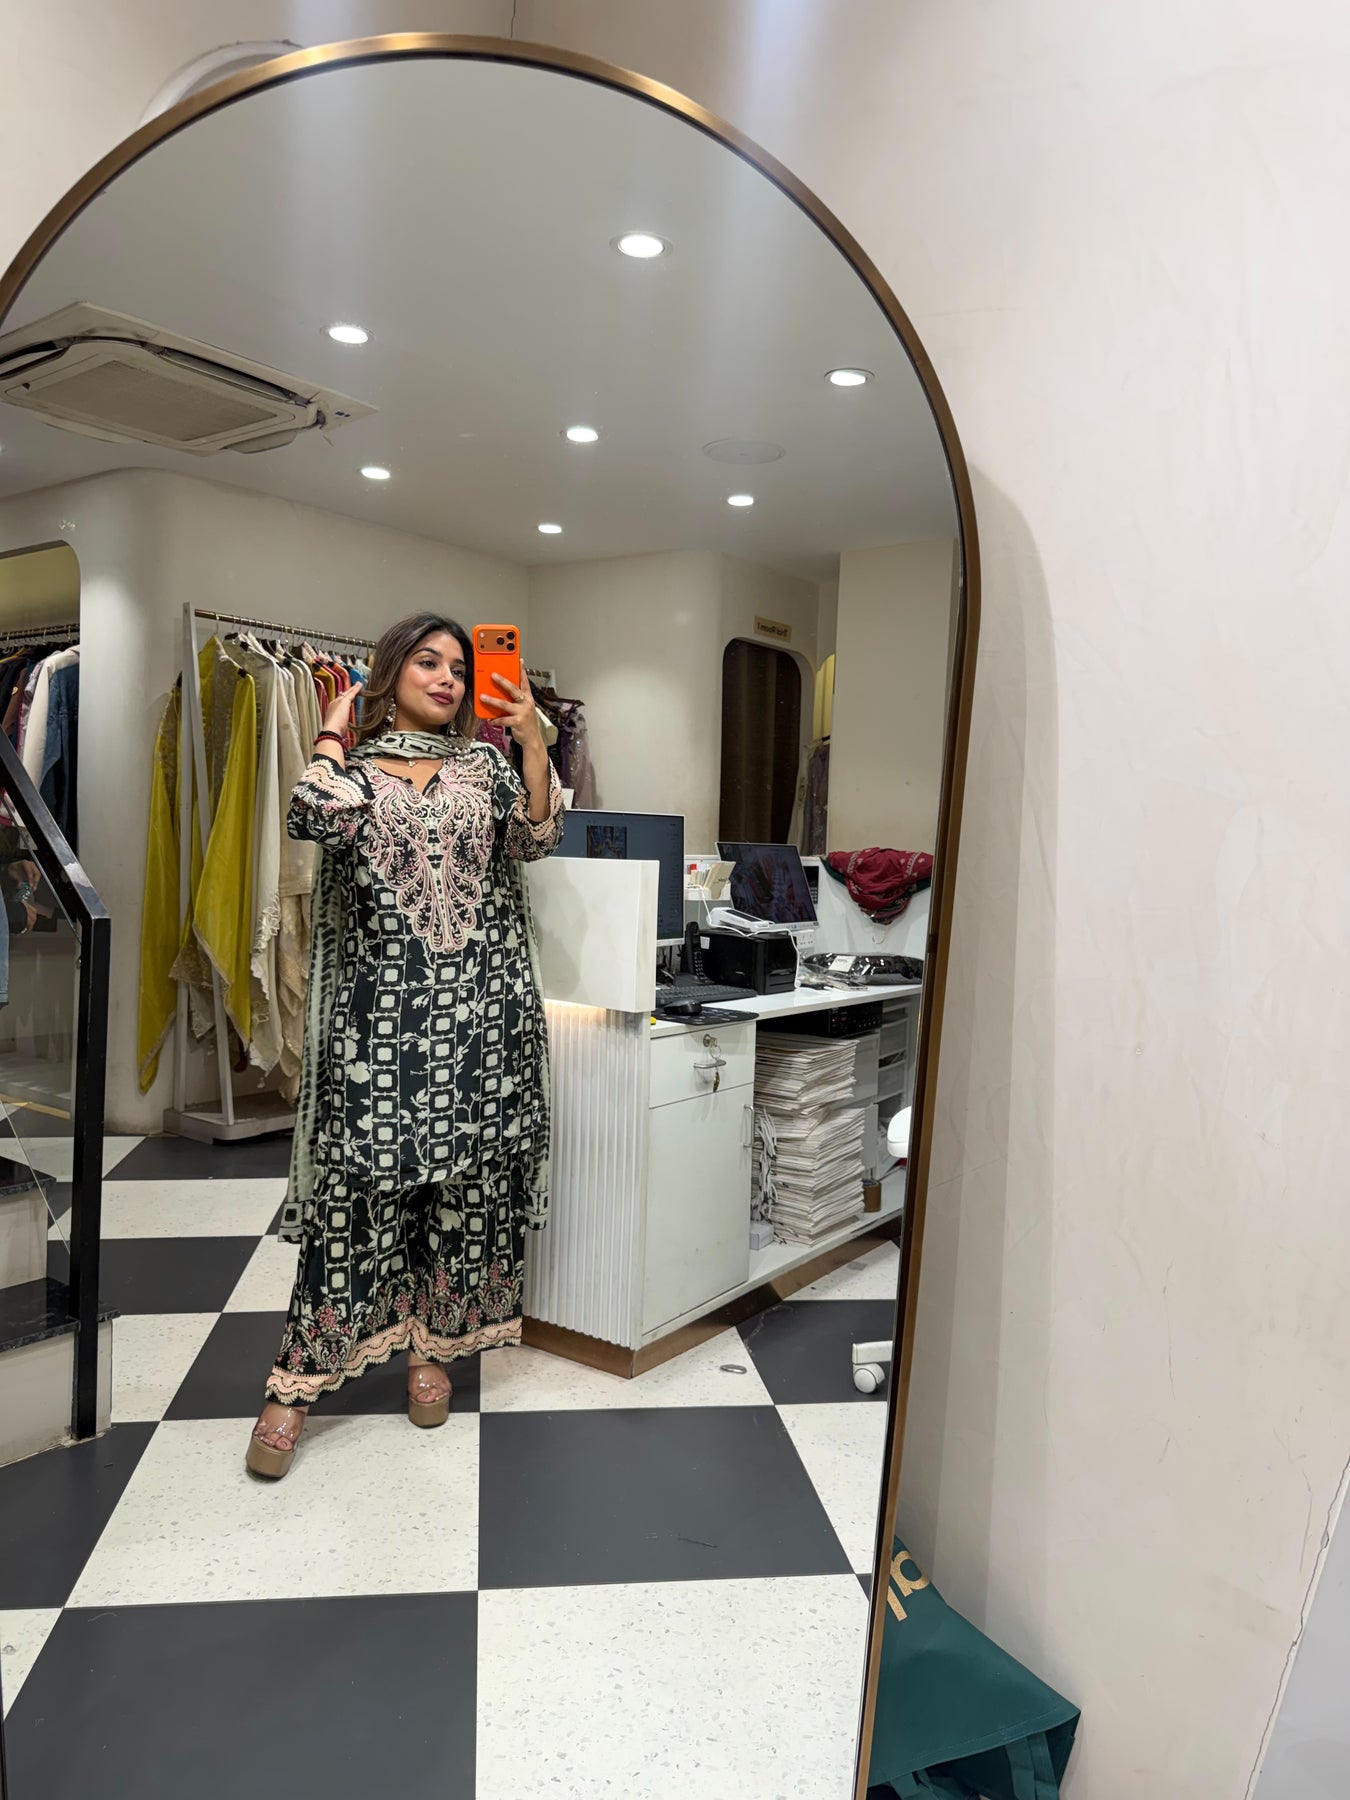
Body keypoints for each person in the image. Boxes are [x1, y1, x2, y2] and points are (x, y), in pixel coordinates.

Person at [246, 612, 564, 1478]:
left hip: (483, 1018)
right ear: (390, 675)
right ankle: (296, 1384)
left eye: (458, 666)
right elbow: (310, 816)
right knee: (358, 1197)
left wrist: (533, 743)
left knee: (460, 1193)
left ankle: (431, 1349)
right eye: (428, 662)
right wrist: (331, 727)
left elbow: (535, 839)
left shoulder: (485, 767)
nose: (449, 678)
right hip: (378, 1026)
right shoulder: (348, 772)